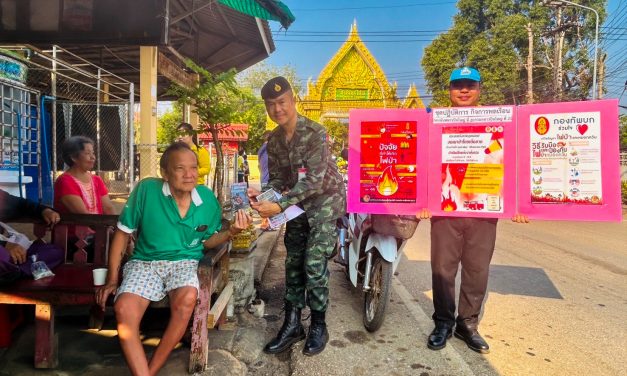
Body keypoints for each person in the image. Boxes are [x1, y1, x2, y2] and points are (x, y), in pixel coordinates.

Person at [95, 142, 252, 376]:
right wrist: (112, 279)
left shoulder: (207, 200)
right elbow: (122, 233)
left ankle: (150, 370)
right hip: (145, 262)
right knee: (124, 307)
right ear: (165, 173)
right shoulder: (147, 190)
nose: (189, 174)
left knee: (188, 297)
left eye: (194, 168)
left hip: (185, 262)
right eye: (180, 168)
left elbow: (207, 241)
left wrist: (231, 233)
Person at [417, 67, 529, 354]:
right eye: (458, 85)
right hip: (445, 208)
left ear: (479, 89)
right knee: (442, 269)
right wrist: (421, 202)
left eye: (470, 85)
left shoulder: (499, 122)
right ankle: (443, 322)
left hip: (483, 211)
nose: (464, 90)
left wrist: (519, 204)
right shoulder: (434, 122)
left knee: (477, 270)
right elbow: (423, 162)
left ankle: (467, 324)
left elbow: (512, 160)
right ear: (449, 90)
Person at [248, 76, 346, 356]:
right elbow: (279, 179)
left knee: (313, 262)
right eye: (271, 105)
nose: (277, 109)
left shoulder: (315, 132)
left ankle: (318, 325)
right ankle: (292, 324)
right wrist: (263, 193)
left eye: (281, 102)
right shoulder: (275, 141)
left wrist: (279, 206)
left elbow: (314, 182)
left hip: (325, 200)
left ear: (293, 100)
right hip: (297, 205)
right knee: (293, 261)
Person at [0, 189, 63, 285]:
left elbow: (22, 205)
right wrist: (5, 245)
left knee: (55, 251)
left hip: (10, 255)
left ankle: (17, 271)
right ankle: (18, 269)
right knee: (2, 255)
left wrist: (44, 211)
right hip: (3, 251)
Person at [54, 135, 115, 215]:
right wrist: (103, 227)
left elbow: (108, 208)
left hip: (98, 225)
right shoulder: (65, 182)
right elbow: (83, 216)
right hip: (78, 227)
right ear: (73, 157)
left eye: (93, 153)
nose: (93, 157)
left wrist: (112, 226)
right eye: (87, 153)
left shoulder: (96, 180)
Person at [257, 131, 272, 230]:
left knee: (265, 201)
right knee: (269, 203)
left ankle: (266, 223)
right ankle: (266, 224)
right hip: (269, 179)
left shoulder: (261, 150)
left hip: (263, 178)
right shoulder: (269, 149)